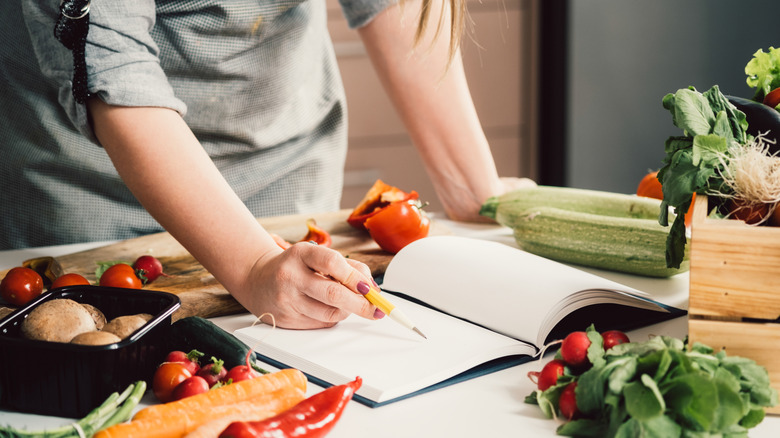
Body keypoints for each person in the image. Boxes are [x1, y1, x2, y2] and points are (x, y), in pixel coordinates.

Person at [0, 0, 534, 329]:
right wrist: (254, 266)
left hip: (287, 175)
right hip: (86, 194)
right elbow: (116, 70)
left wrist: (472, 186)